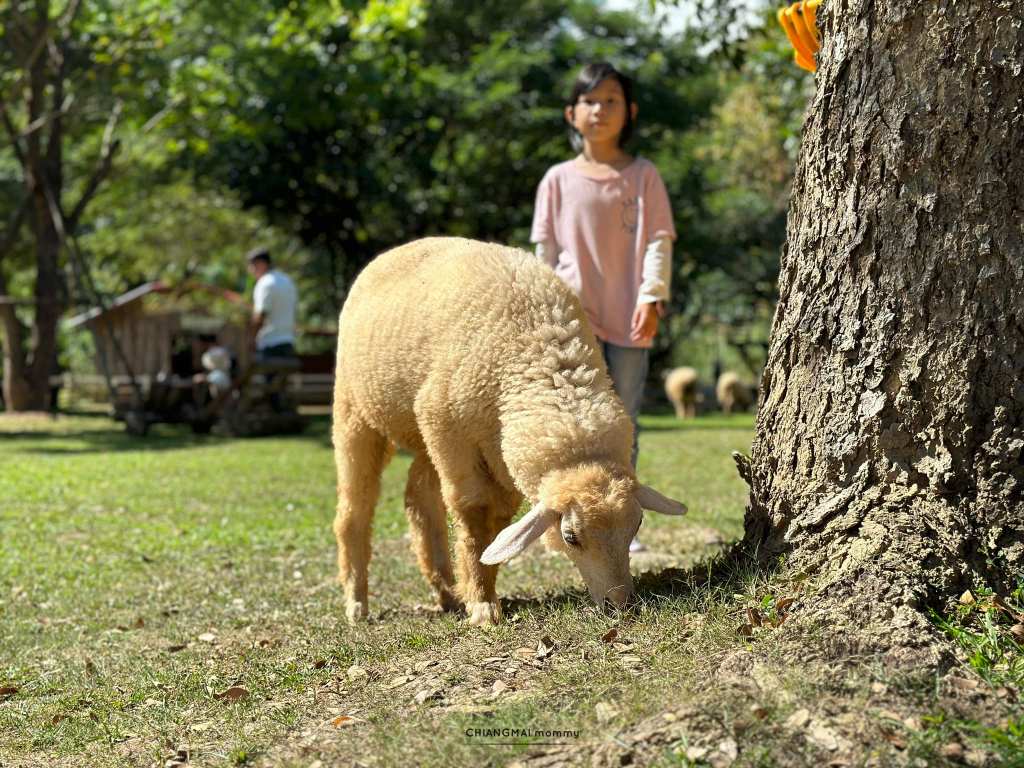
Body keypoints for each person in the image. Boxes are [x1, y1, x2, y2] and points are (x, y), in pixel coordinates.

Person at [530, 62, 676, 553]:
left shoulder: (643, 175)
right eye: (590, 101)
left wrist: (652, 295)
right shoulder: (556, 179)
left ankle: (620, 520)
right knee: (575, 421)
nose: (600, 110)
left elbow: (658, 240)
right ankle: (572, 518)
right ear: (571, 113)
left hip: (632, 317)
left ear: (629, 111)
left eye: (611, 100)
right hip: (572, 323)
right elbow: (545, 252)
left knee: (624, 421)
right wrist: (545, 314)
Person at [246, 247, 298, 410]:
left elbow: (261, 315)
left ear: (261, 264)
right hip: (288, 342)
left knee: (269, 388)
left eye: (252, 266)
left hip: (270, 344)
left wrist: (250, 339)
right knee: (281, 387)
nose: (251, 271)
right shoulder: (287, 281)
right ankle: (284, 415)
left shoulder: (265, 283)